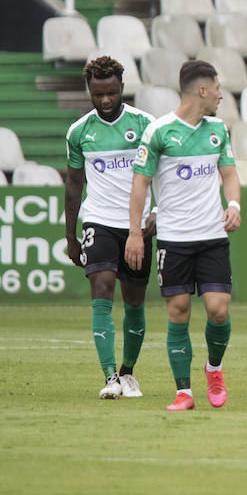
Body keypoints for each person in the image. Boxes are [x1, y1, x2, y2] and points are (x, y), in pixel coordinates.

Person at [126, 61, 242, 413]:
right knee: (178, 311)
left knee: (218, 310)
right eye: (218, 88)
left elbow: (230, 175)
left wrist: (234, 203)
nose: (222, 95)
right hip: (174, 239)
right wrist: (135, 232)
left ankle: (214, 369)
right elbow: (140, 185)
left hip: (212, 236)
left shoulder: (218, 129)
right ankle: (184, 392)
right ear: (202, 90)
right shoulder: (158, 132)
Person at [63, 56, 155, 400]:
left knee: (134, 300)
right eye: (98, 94)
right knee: (102, 289)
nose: (104, 100)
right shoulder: (79, 131)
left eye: (111, 93)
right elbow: (74, 184)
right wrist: (70, 235)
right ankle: (110, 376)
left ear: (122, 88)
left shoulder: (146, 125)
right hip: (99, 220)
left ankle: (129, 373)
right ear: (89, 90)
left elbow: (163, 173)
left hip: (137, 226)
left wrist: (157, 212)